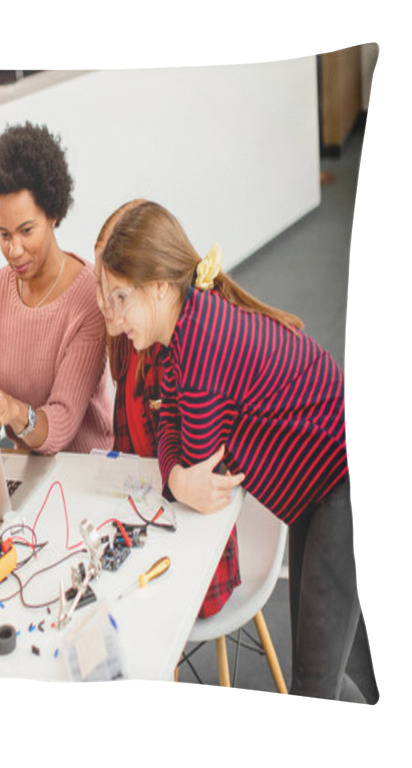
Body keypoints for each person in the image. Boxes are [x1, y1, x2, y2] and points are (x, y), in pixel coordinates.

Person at [99, 199, 377, 702]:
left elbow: (198, 472)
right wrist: (176, 474)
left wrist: (179, 476)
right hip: (320, 486)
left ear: (159, 288)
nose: (115, 322)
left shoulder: (200, 348)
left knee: (314, 688)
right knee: (326, 674)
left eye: (121, 300)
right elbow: (172, 433)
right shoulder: (182, 331)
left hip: (346, 483)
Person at [94, 200, 240, 619]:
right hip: (148, 511)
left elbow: (195, 471)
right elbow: (138, 453)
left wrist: (171, 478)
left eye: (118, 291)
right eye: (100, 284)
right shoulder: (130, 341)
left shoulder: (180, 349)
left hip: (189, 547)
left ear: (150, 284)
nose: (107, 301)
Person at [0, 122, 112, 454]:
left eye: (26, 231)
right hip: (26, 469)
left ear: (52, 214)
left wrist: (15, 412)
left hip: (84, 471)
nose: (14, 250)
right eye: (5, 234)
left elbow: (61, 424)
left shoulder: (88, 300)